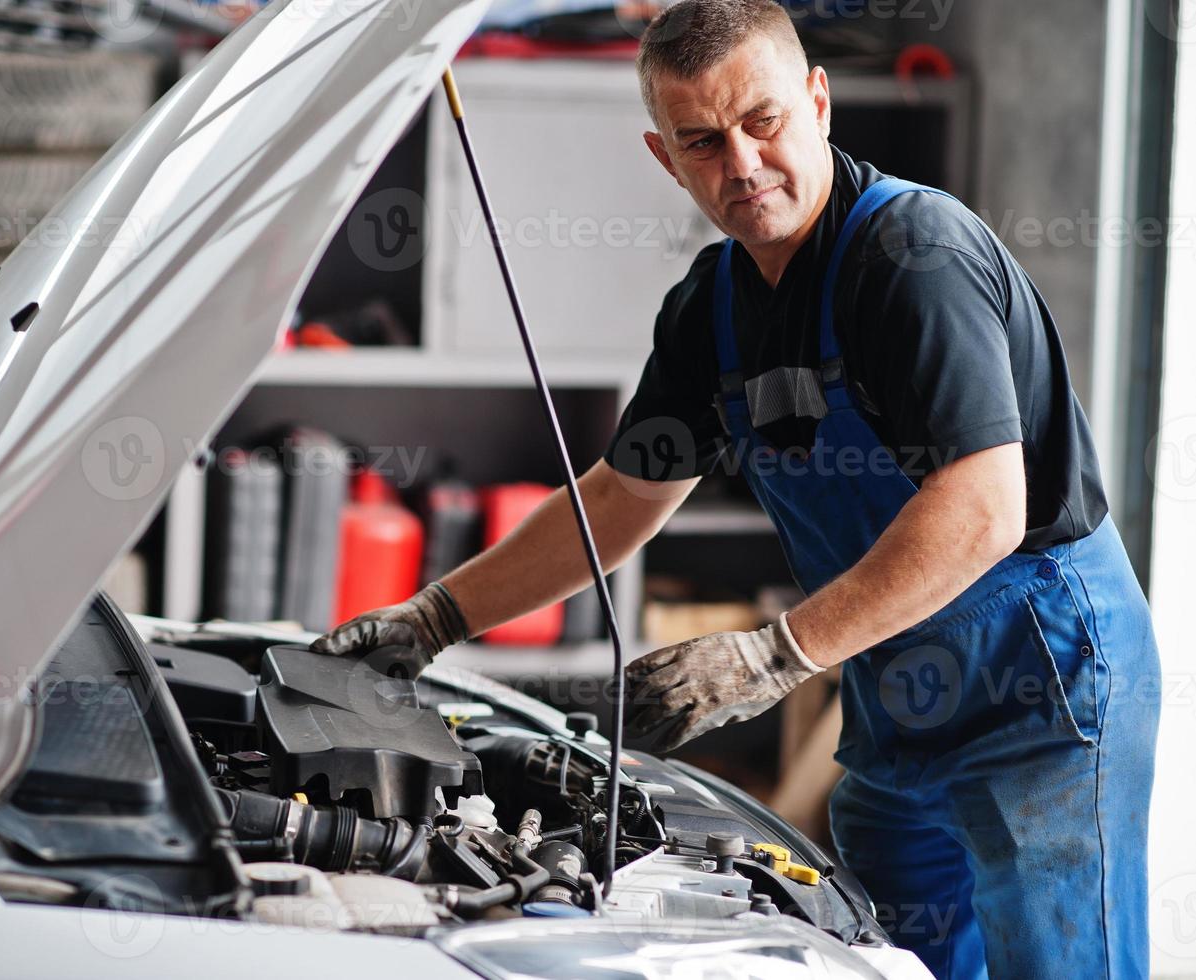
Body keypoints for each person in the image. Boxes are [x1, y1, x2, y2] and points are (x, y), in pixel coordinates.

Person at [312, 1, 1160, 975]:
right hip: (902, 691)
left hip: (1041, 682)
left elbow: (982, 509)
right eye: (704, 141)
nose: (743, 165)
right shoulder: (710, 310)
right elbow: (620, 499)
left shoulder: (913, 260)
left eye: (763, 122)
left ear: (819, 102)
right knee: (892, 957)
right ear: (664, 156)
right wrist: (434, 618)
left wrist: (773, 656)